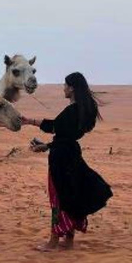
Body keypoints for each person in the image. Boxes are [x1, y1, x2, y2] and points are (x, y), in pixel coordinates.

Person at [21, 72, 112, 251]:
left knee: (59, 196)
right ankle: (68, 240)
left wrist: (31, 123)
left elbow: (55, 127)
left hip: (61, 159)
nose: (63, 88)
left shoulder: (72, 110)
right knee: (71, 194)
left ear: (71, 88)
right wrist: (47, 144)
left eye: (65, 85)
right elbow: (64, 134)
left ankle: (53, 241)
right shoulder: (84, 109)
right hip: (71, 154)